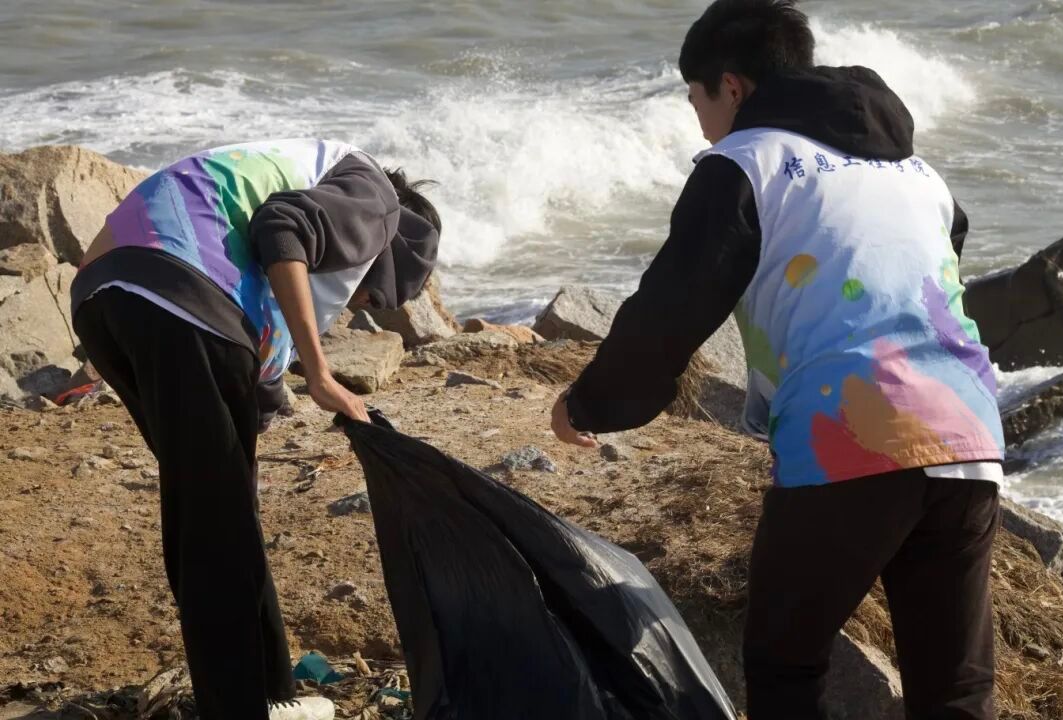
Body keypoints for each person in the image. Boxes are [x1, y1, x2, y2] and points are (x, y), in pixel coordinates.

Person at [550, 2, 1005, 718]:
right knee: (955, 689)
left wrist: (591, 403)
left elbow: (674, 305)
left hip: (853, 432)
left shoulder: (744, 162)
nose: (701, 122)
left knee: (784, 662)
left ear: (731, 87)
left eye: (696, 99)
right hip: (971, 433)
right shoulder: (920, 173)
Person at [71, 139, 441, 720]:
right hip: (182, 295)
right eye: (376, 293)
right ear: (395, 245)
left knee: (217, 510)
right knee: (216, 527)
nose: (362, 303)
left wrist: (259, 410)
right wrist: (320, 374)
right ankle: (238, 707)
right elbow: (282, 228)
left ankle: (272, 695)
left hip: (103, 299)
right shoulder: (378, 198)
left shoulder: (313, 168)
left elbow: (256, 340)